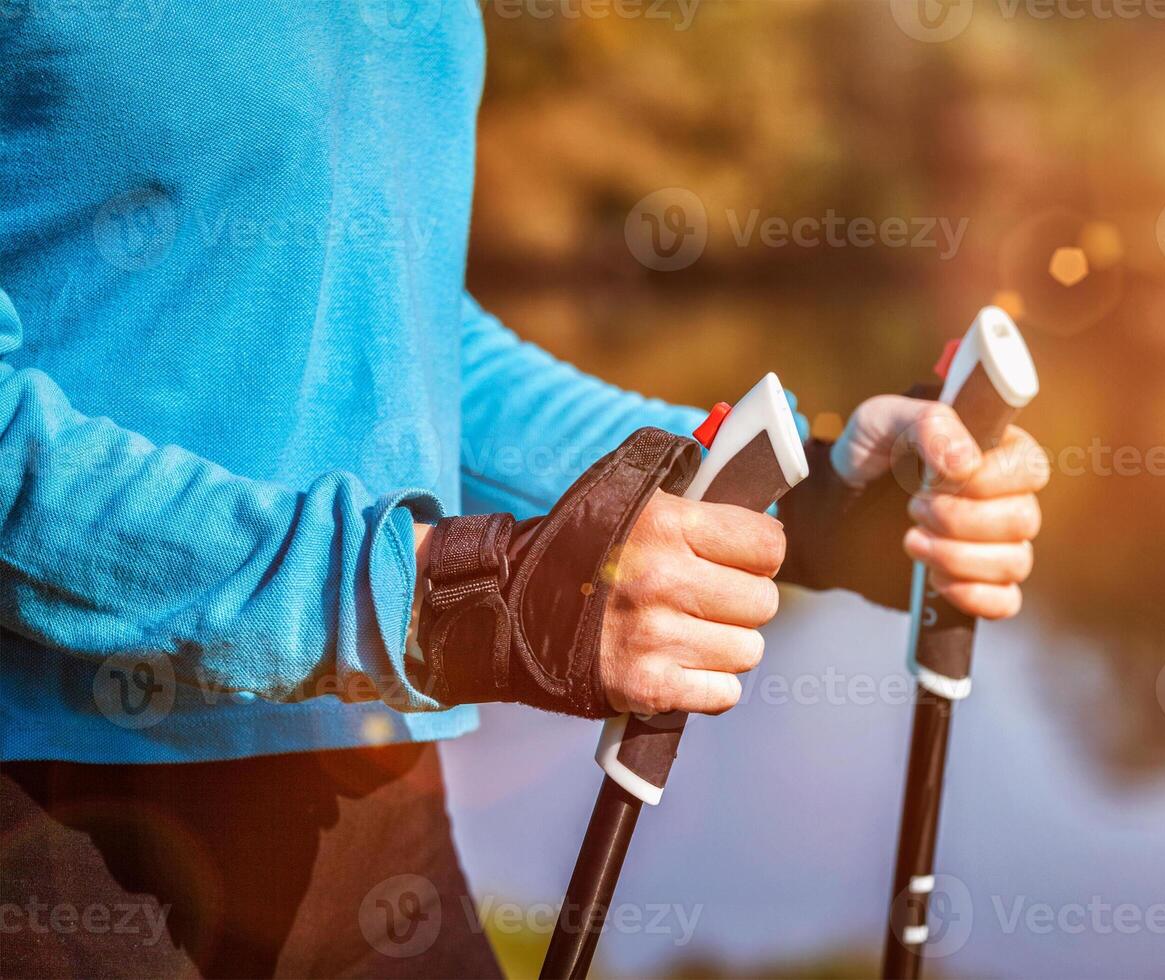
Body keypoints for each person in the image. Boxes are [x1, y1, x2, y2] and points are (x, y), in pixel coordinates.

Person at [0, 4, 1048, 977]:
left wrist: (798, 499)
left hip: (372, 799)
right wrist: (445, 600)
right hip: (54, 812)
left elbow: (409, 345)